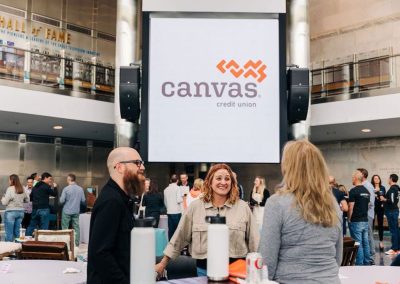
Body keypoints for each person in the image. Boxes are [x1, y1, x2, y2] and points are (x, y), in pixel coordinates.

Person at [260, 140, 342, 283]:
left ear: (289, 167)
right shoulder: (332, 203)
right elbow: (337, 257)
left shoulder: (276, 203)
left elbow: (267, 264)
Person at [156, 164, 259, 277]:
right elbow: (179, 238)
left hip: (236, 272)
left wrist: (259, 272)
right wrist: (162, 264)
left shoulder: (243, 208)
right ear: (210, 181)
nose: (223, 182)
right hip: (204, 272)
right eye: (218, 178)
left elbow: (255, 243)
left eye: (227, 179)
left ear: (232, 183)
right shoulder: (195, 207)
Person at [87, 147, 145, 284]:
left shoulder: (120, 198)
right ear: (119, 167)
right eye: (137, 162)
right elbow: (101, 253)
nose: (142, 167)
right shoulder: (112, 201)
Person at [348, 170, 372, 265]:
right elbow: (368, 204)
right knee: (365, 242)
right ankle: (367, 262)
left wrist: (349, 218)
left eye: (352, 178)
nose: (352, 180)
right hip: (365, 220)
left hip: (356, 220)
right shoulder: (366, 191)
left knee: (358, 243)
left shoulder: (353, 191)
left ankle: (359, 264)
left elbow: (351, 206)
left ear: (355, 178)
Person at [59, 173, 86, 246]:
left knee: (65, 228)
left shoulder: (66, 189)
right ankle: (76, 244)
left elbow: (61, 201)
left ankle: (65, 244)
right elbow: (83, 200)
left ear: (69, 179)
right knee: (76, 228)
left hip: (66, 211)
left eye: (67, 179)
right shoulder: (80, 189)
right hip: (76, 211)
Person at [1, 174, 29, 241]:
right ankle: (18, 249)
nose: (9, 181)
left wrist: (2, 198)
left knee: (9, 233)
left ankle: (9, 250)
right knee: (17, 233)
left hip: (11, 212)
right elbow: (27, 200)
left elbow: (4, 202)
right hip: (20, 213)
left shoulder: (10, 189)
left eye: (9, 180)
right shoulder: (23, 188)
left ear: (12, 180)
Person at [357, 168, 375, 262]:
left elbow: (370, 202)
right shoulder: (363, 185)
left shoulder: (367, 186)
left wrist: (359, 208)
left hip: (367, 214)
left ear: (362, 175)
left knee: (368, 234)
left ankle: (371, 256)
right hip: (364, 214)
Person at [379, 174, 400, 255]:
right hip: (394, 211)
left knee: (393, 230)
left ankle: (394, 249)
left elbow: (391, 201)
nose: (388, 180)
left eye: (388, 178)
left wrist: (383, 199)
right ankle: (397, 248)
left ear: (391, 179)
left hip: (391, 212)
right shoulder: (397, 188)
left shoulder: (392, 189)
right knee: (396, 230)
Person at [163, 174, 183, 240]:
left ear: (170, 180)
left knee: (170, 230)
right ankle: (177, 247)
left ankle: (170, 246)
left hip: (169, 212)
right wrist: (183, 197)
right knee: (177, 230)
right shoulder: (178, 188)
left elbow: (165, 202)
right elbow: (179, 200)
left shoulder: (165, 190)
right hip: (177, 212)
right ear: (177, 181)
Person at [371, 174, 386, 251]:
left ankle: (381, 241)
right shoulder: (371, 187)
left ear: (379, 179)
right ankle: (371, 241)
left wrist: (378, 193)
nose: (376, 179)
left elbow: (384, 197)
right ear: (373, 180)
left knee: (380, 225)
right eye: (375, 178)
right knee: (371, 224)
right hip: (372, 208)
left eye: (377, 178)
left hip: (380, 208)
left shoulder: (383, 188)